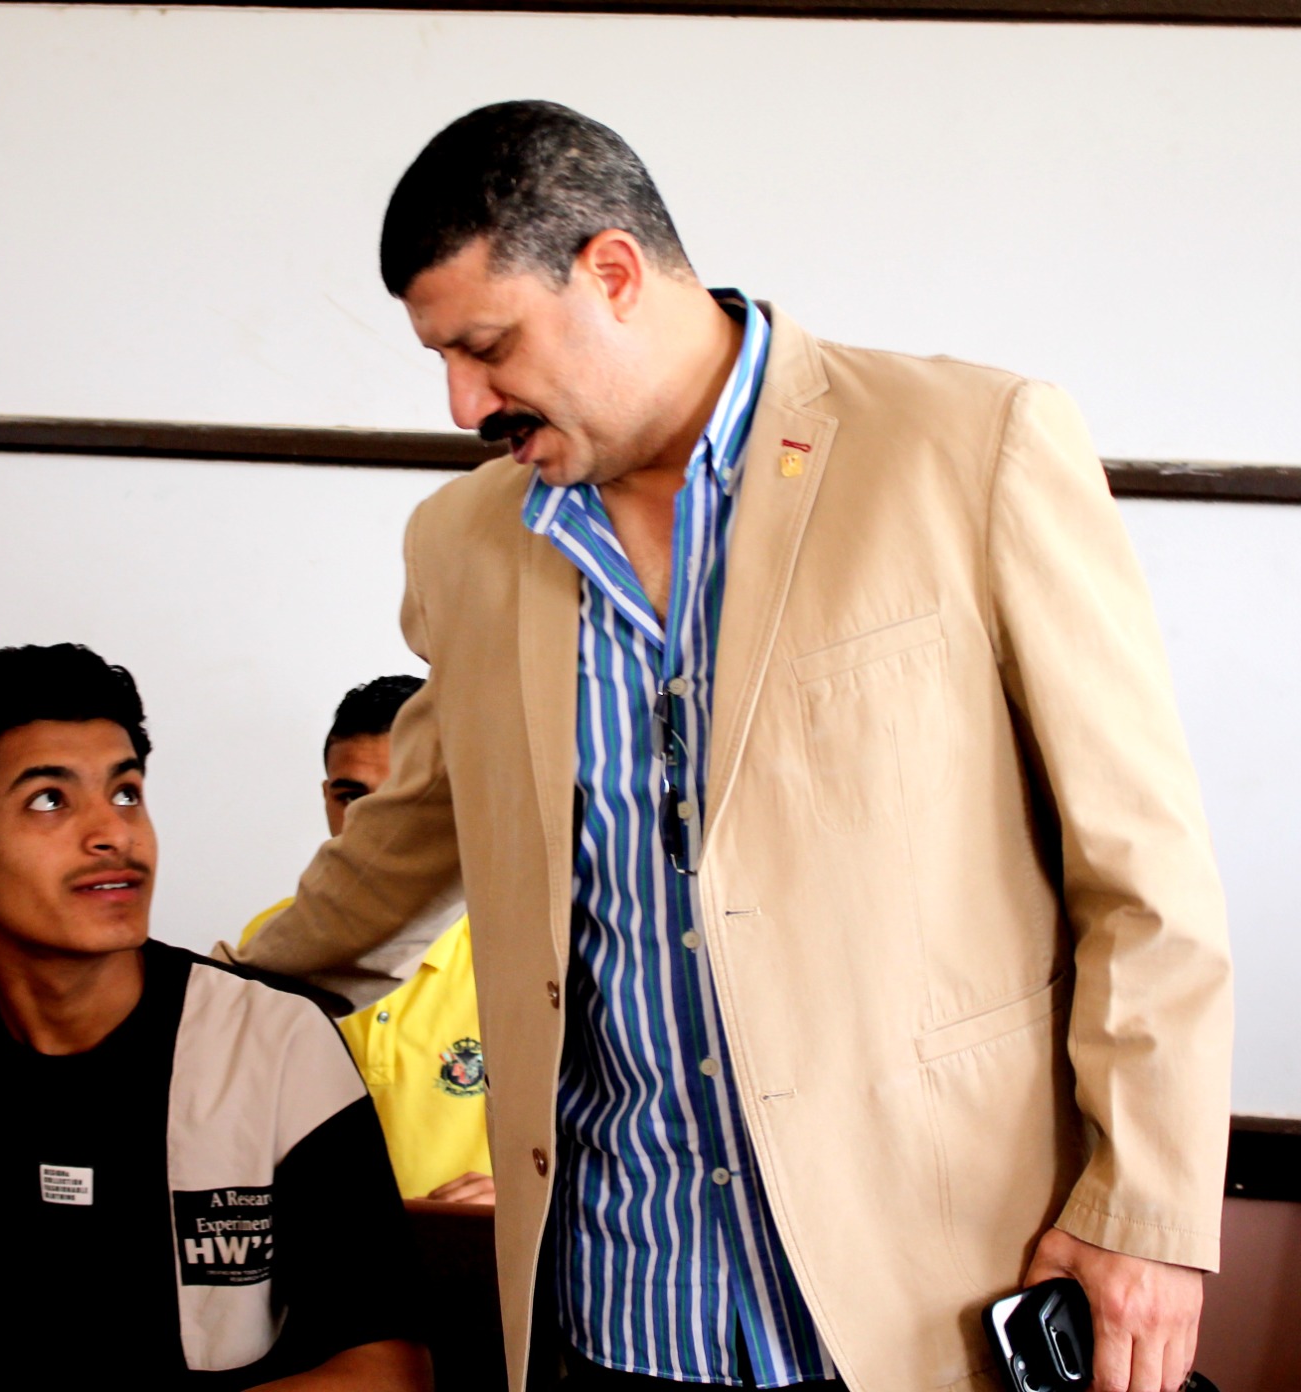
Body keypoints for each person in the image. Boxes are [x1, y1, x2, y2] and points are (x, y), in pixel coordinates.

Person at [237, 101, 1234, 1392]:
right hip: (612, 1317)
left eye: (486, 348)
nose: (463, 401)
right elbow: (392, 861)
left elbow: (1144, 871)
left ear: (612, 271)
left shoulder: (968, 447)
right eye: (443, 358)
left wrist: (1141, 1214)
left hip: (925, 1314)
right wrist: (170, 1004)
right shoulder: (464, 543)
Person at [0, 644, 429, 1392]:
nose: (113, 833)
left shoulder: (270, 1043)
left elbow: (386, 1371)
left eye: (126, 793)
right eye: (49, 801)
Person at [213, 676, 493, 1205]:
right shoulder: (268, 942)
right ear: (326, 797)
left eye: (397, 803)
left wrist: (524, 1196)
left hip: (472, 1248)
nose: (371, 825)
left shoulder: (520, 953)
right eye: (351, 797)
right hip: (325, 1246)